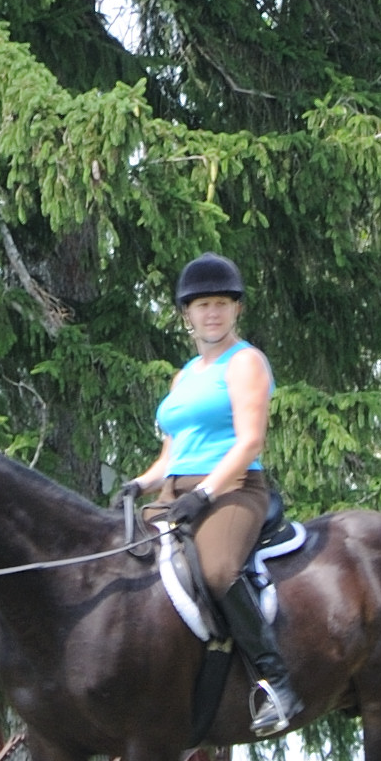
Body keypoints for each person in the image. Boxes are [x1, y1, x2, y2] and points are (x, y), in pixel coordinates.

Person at [134, 253, 302, 731]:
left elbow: (249, 441)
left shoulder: (245, 362)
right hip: (176, 492)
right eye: (203, 305)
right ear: (187, 313)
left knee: (217, 571)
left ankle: (276, 682)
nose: (212, 313)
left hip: (234, 488)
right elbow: (170, 457)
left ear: (236, 310)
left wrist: (205, 494)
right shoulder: (184, 376)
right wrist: (138, 484)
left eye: (221, 304)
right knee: (127, 560)